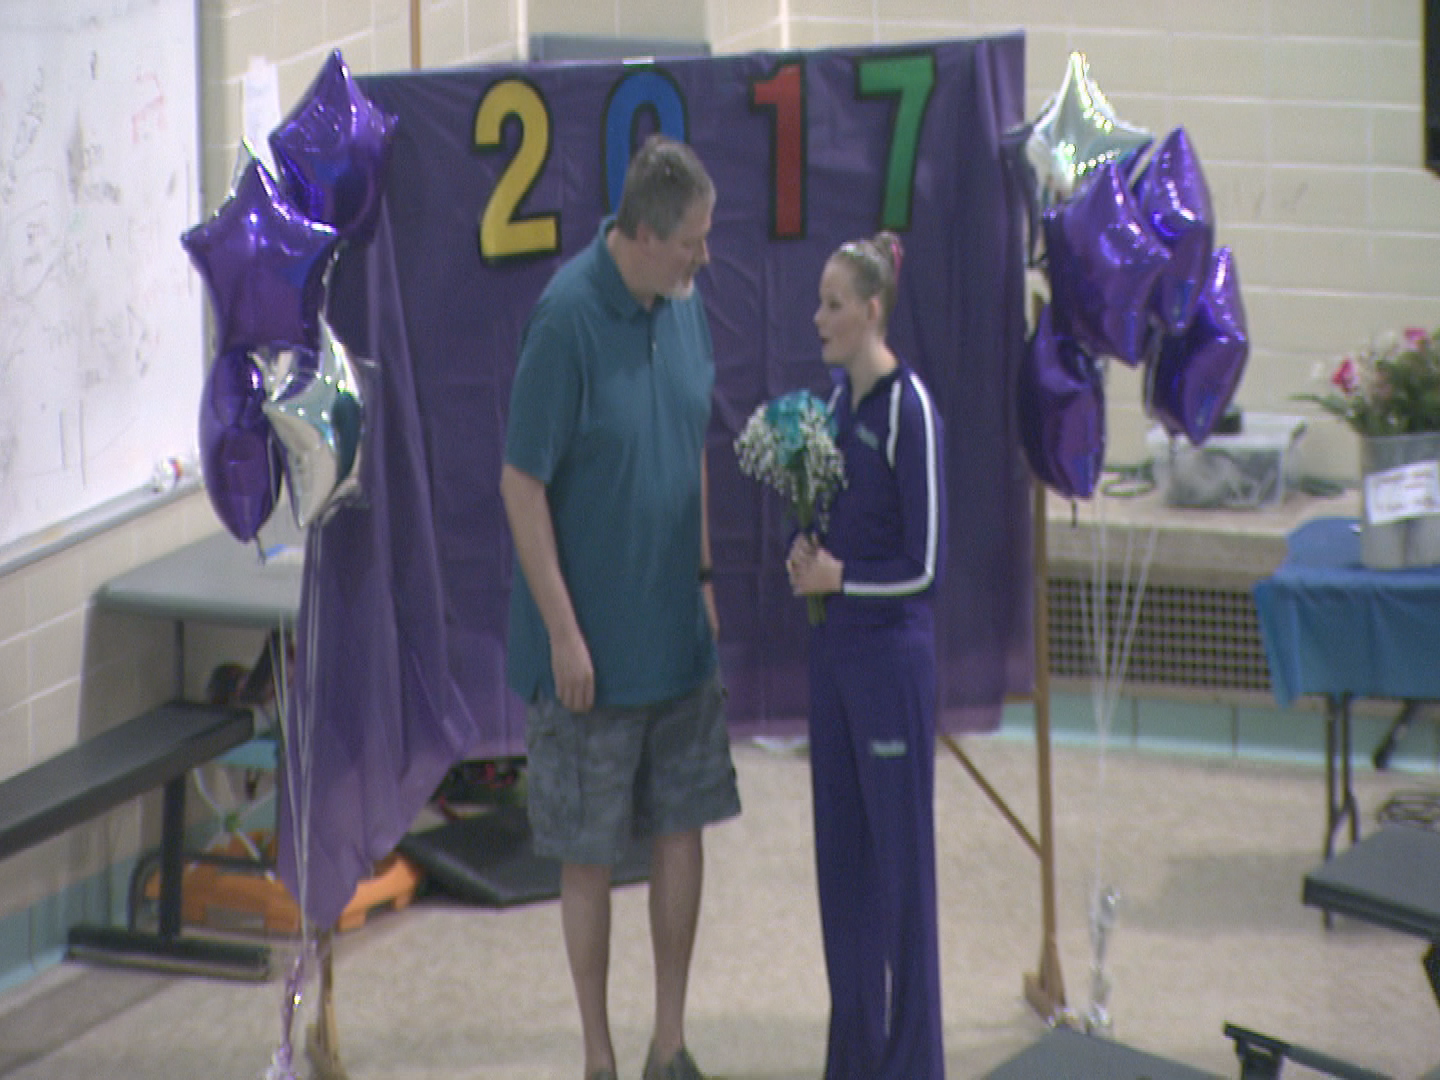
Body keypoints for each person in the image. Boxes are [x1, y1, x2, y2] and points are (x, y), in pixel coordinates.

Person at [500, 134, 742, 1080]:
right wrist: (563, 630)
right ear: (640, 234)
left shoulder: (683, 308)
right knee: (588, 852)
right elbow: (522, 487)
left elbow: (692, 452)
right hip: (588, 653)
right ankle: (597, 1056)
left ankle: (667, 1043)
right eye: (691, 241)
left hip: (675, 636)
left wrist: (708, 581)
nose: (703, 257)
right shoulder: (564, 323)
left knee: (683, 831)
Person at [787, 231, 948, 1079]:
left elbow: (923, 566)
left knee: (900, 876)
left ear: (873, 309)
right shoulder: (830, 407)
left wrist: (842, 577)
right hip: (834, 662)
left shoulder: (908, 409)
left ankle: (913, 1062)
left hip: (891, 665)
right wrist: (803, 556)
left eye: (834, 303)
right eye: (819, 301)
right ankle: (852, 1058)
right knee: (842, 868)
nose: (819, 317)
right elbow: (825, 523)